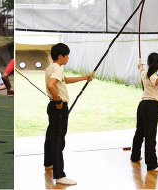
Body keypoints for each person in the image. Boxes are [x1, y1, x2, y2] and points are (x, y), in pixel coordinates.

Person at [43, 43, 93, 185]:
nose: (68, 58)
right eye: (67, 55)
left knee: (51, 135)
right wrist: (58, 100)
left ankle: (49, 163)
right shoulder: (57, 68)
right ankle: (59, 175)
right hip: (58, 106)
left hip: (53, 107)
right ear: (60, 56)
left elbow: (64, 81)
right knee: (58, 139)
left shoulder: (51, 67)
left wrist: (84, 77)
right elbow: (51, 85)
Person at [130, 52, 158, 172]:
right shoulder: (152, 76)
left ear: (148, 62)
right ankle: (152, 165)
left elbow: (141, 68)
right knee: (150, 135)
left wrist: (140, 66)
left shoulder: (144, 73)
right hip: (150, 106)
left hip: (142, 106)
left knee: (140, 132)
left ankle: (135, 156)